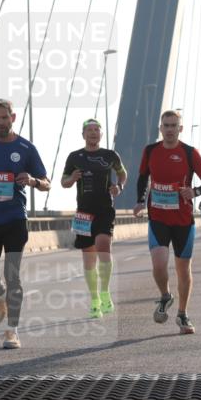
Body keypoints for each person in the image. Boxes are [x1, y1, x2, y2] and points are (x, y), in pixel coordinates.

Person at [0, 99, 51, 349]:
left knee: (12, 276)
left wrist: (34, 181)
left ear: (13, 118)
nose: (1, 122)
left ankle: (11, 331)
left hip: (15, 219)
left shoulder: (26, 147)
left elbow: (47, 182)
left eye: (5, 118)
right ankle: (0, 294)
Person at [133, 110, 201, 334]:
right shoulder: (150, 151)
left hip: (183, 220)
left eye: (173, 125)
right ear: (160, 128)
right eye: (166, 125)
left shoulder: (189, 153)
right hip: (158, 216)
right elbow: (142, 178)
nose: (169, 129)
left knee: (183, 269)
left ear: (180, 129)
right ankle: (165, 295)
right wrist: (140, 201)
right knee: (158, 264)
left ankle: (182, 314)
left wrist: (194, 191)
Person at [61, 119, 127, 318]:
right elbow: (63, 182)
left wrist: (120, 187)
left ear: (101, 134)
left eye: (96, 130)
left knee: (103, 245)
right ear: (83, 134)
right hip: (83, 212)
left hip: (105, 209)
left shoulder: (110, 155)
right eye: (89, 130)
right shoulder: (74, 157)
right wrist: (72, 179)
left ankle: (105, 293)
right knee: (89, 257)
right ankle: (95, 300)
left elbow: (122, 173)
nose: (93, 133)